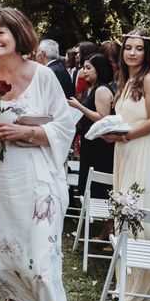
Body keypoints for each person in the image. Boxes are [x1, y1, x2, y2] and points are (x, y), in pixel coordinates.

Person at [0, 7, 74, 301]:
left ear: (18, 34)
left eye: (2, 32)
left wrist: (23, 131)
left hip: (35, 184)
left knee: (42, 265)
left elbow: (64, 126)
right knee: (0, 259)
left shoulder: (44, 76)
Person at [101, 29, 150, 301]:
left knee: (138, 208)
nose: (132, 52)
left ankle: (145, 284)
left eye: (138, 48)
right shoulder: (126, 81)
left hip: (141, 150)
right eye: (128, 48)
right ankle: (127, 281)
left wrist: (125, 136)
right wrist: (111, 133)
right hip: (124, 151)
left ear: (147, 52)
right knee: (124, 211)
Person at [67, 54, 114, 237]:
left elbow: (103, 118)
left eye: (88, 67)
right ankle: (102, 227)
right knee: (88, 183)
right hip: (89, 142)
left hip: (100, 146)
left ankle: (107, 227)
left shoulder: (102, 90)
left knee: (100, 186)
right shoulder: (90, 89)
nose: (83, 71)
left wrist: (79, 107)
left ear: (99, 69)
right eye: (83, 67)